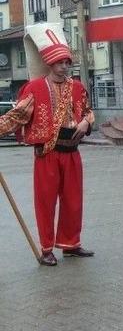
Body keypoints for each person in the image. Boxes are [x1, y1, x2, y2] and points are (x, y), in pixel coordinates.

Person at [0, 23, 96, 266]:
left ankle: (70, 244)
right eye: (60, 62)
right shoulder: (34, 88)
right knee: (45, 202)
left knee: (73, 201)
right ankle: (46, 248)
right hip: (47, 153)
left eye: (67, 62)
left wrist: (86, 122)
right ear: (49, 63)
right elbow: (17, 116)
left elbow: (87, 112)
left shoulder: (78, 88)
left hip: (72, 152)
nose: (64, 67)